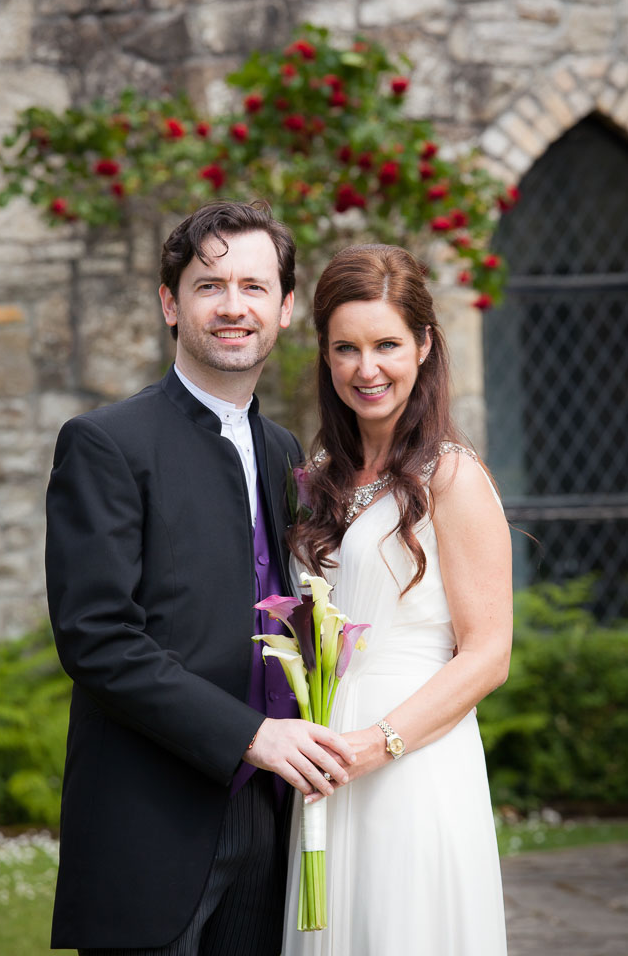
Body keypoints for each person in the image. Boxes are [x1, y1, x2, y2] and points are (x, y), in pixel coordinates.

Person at [45, 200, 355, 956]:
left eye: (253, 287)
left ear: (283, 310)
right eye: (209, 285)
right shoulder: (104, 442)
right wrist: (252, 735)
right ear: (169, 304)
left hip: (272, 823)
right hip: (149, 822)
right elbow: (97, 639)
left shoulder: (286, 452)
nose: (231, 307)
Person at [282, 243, 512, 955]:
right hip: (324, 757)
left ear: (423, 344)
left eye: (385, 343)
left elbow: (487, 655)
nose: (365, 368)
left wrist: (375, 744)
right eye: (344, 348)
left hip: (412, 761)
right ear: (324, 356)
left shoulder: (452, 477)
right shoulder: (321, 477)